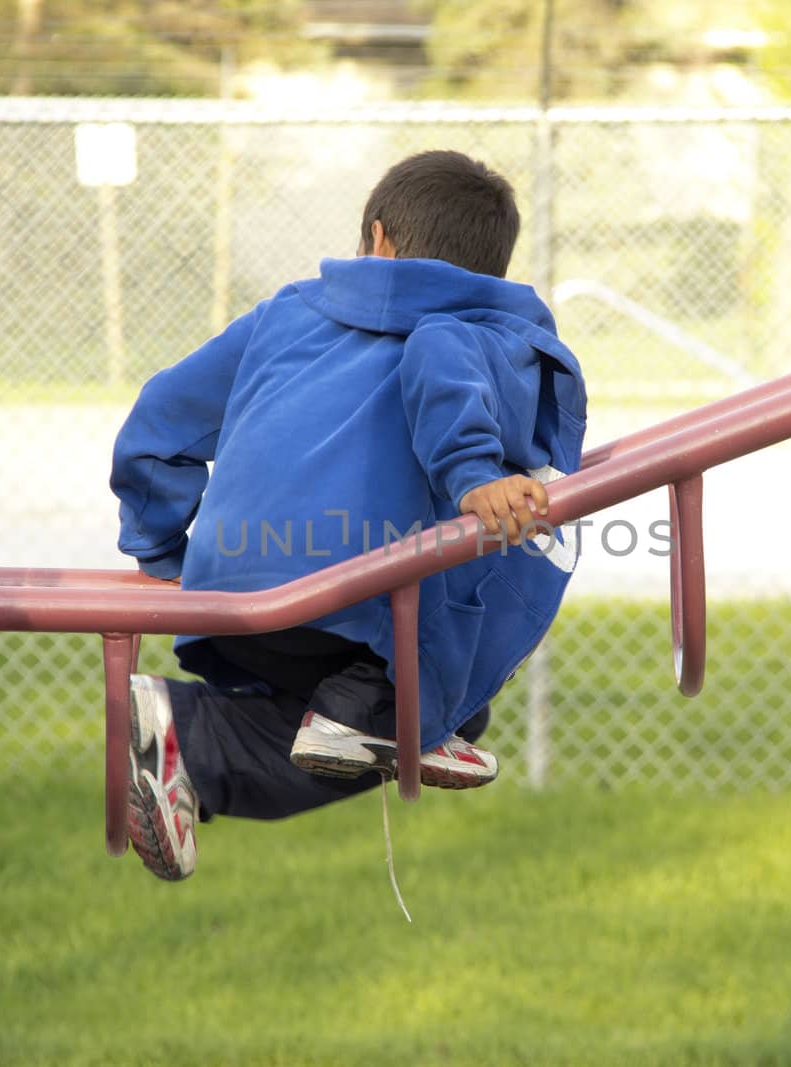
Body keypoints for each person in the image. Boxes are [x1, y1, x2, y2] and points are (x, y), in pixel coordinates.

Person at [109, 149, 587, 882]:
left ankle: (214, 735)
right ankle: (236, 731)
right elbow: (439, 353)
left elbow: (160, 420)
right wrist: (471, 476)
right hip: (360, 596)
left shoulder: (285, 314)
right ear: (493, 270)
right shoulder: (489, 333)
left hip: (235, 592)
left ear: (378, 238)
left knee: (434, 719)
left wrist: (163, 551)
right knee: (436, 704)